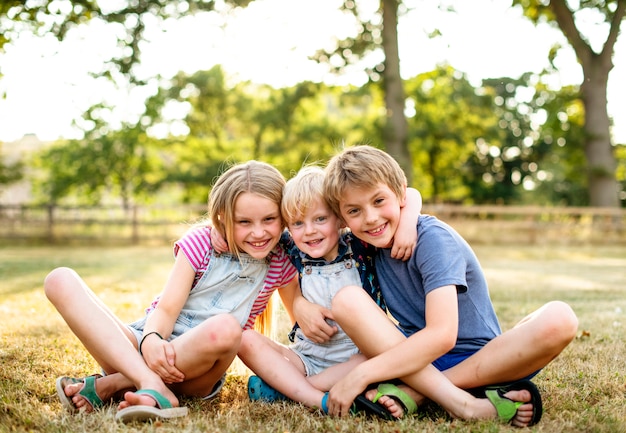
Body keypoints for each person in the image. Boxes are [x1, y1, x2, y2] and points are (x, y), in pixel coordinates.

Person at [318, 144, 578, 427]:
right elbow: (301, 236)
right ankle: (458, 398)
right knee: (347, 299)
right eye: (355, 210)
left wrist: (362, 374)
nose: (370, 217)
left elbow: (443, 335)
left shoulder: (433, 240)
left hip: (480, 360)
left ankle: (424, 393)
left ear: (399, 195)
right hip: (415, 359)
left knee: (559, 318)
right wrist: (298, 304)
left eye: (379, 201)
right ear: (343, 219)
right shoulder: (365, 243)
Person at [46, 160, 301, 423]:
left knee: (226, 327)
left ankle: (115, 385)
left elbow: (300, 322)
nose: (258, 232)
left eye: (269, 219)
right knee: (59, 279)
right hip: (142, 349)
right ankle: (148, 384)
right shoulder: (201, 242)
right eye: (243, 222)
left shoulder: (282, 258)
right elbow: (166, 309)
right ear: (222, 217)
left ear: (283, 216)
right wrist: (152, 339)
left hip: (199, 372)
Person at [211, 165, 422, 418]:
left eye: (320, 219)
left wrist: (408, 223)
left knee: (381, 356)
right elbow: (254, 230)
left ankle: (294, 390)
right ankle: (311, 391)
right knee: (246, 339)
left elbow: (409, 194)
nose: (309, 231)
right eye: (298, 223)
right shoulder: (291, 249)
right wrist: (217, 229)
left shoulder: (361, 244)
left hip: (358, 356)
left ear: (341, 217)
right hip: (307, 358)